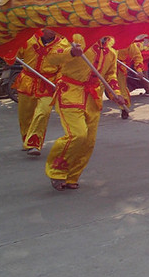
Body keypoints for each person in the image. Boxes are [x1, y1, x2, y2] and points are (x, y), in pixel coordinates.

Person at [44, 36, 126, 191]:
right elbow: (52, 57)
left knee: (88, 142)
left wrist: (116, 93)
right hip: (71, 93)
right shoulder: (76, 38)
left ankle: (72, 176)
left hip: (93, 98)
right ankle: (57, 171)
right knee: (78, 134)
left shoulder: (112, 51)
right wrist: (71, 52)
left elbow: (110, 75)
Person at [13, 29, 70, 156]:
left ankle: (34, 144)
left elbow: (63, 67)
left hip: (48, 83)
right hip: (27, 81)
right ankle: (26, 140)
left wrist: (59, 81)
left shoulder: (63, 45)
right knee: (25, 115)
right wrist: (10, 51)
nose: (48, 30)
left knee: (43, 112)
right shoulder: (29, 39)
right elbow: (17, 53)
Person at [116, 40, 147, 119]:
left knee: (122, 88)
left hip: (119, 68)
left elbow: (137, 56)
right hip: (102, 67)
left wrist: (139, 70)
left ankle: (124, 108)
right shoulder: (103, 39)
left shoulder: (127, 40)